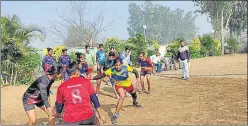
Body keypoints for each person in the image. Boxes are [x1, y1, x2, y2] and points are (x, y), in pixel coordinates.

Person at [92, 57, 142, 125]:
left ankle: (135, 102)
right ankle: (115, 116)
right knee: (122, 96)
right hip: (119, 85)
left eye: (119, 65)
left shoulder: (126, 68)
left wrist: (138, 80)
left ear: (121, 64)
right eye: (116, 65)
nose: (118, 67)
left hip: (128, 84)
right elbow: (101, 75)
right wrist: (92, 78)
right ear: (114, 65)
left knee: (134, 94)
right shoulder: (111, 70)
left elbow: (135, 72)